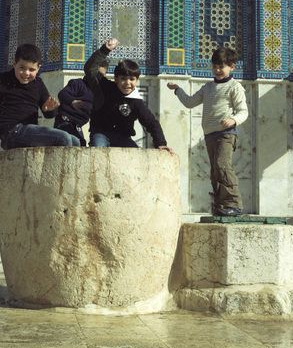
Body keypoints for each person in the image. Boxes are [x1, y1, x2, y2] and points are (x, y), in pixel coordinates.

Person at [0, 44, 80, 149]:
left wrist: (50, 109)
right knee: (64, 138)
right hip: (9, 133)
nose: (26, 73)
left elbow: (48, 114)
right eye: (22, 68)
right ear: (14, 64)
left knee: (75, 141)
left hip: (28, 132)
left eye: (31, 70)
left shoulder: (38, 84)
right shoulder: (0, 80)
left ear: (38, 68)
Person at [167, 47, 248, 216]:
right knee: (214, 171)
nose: (217, 70)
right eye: (215, 67)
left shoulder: (235, 87)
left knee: (222, 166)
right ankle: (221, 205)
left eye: (221, 67)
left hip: (226, 134)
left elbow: (243, 111)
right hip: (210, 134)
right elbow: (189, 102)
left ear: (232, 66)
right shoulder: (208, 87)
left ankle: (234, 204)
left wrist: (233, 120)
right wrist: (177, 90)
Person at [84, 38, 171, 151]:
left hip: (123, 137)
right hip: (101, 134)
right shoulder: (105, 87)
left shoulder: (136, 101)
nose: (127, 83)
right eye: (123, 79)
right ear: (116, 79)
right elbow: (90, 69)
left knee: (136, 157)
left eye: (132, 79)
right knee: (98, 149)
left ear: (137, 80)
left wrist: (160, 143)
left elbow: (151, 122)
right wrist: (105, 50)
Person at [54, 57, 109, 146]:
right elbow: (63, 94)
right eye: (96, 74)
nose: (97, 78)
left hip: (77, 126)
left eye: (101, 76)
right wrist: (73, 102)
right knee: (71, 142)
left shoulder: (98, 93)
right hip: (65, 122)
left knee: (81, 144)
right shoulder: (78, 83)